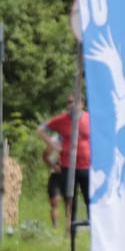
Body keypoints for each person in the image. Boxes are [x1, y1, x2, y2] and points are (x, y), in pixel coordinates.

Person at [37, 95, 91, 233]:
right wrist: (53, 145)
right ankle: (69, 230)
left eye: (74, 102)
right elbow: (41, 131)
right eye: (69, 102)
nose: (71, 105)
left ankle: (94, 230)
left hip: (86, 166)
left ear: (82, 104)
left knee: (90, 199)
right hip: (66, 167)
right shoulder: (61, 121)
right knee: (68, 199)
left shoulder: (90, 119)